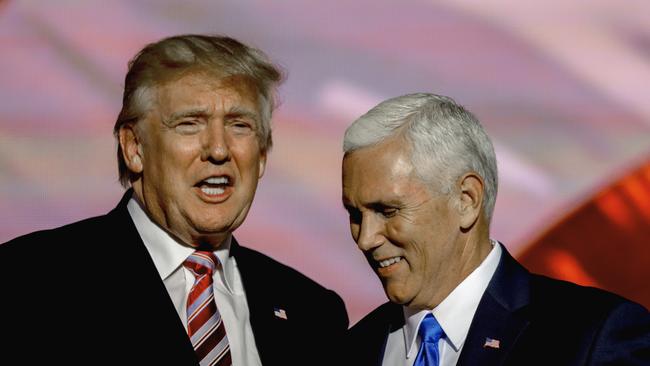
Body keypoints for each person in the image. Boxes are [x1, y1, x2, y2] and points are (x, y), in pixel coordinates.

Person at [0, 34, 348, 365]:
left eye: (239, 125)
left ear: (261, 157)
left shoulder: (312, 313)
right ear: (134, 148)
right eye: (189, 124)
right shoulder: (27, 284)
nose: (218, 149)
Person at [341, 93, 650, 365]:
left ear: (466, 200)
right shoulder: (349, 349)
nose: (365, 238)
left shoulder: (590, 336)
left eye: (387, 210)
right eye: (355, 214)